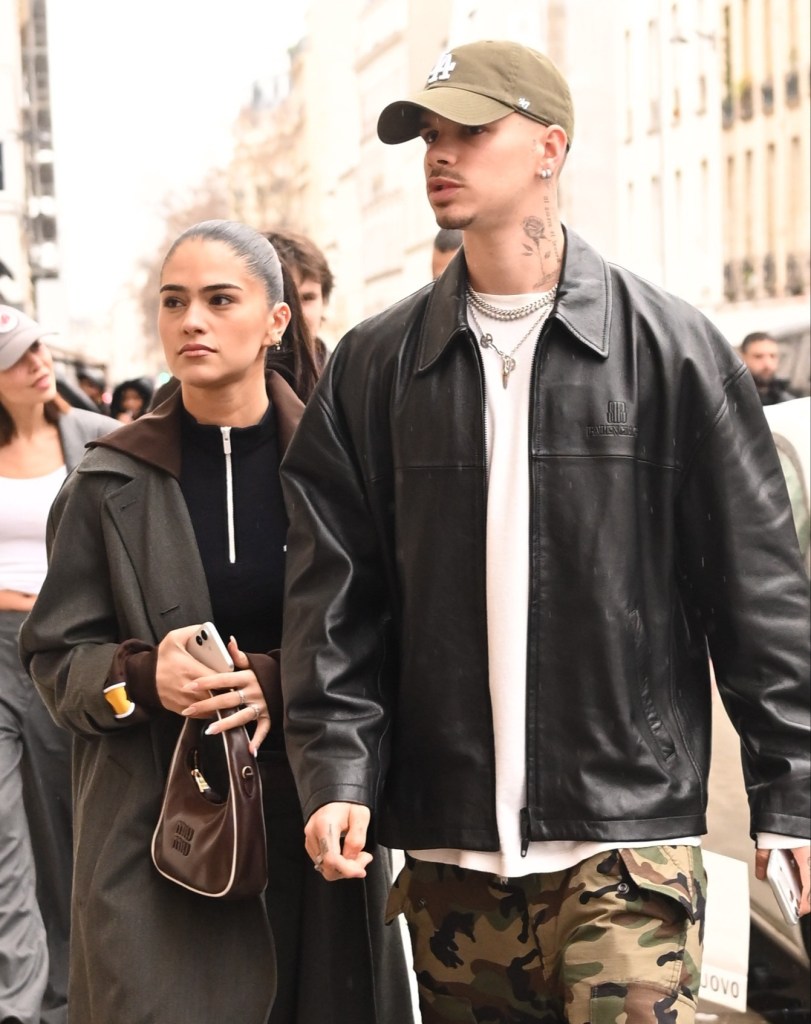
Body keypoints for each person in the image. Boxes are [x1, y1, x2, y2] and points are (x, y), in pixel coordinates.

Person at [277, 40, 811, 1024]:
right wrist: (338, 768)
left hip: (624, 846)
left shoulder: (672, 350)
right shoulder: (374, 366)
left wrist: (792, 794)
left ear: (549, 149)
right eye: (431, 134)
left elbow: (759, 592)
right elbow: (332, 598)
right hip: (447, 857)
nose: (440, 152)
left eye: (471, 131)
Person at [19, 222, 414, 1024]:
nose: (191, 320)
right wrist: (139, 678)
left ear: (275, 321)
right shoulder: (106, 480)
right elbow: (56, 663)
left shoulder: (343, 472)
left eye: (218, 299)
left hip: (311, 821)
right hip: (153, 845)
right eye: (174, 302)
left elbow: (393, 639)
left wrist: (279, 683)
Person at [0, 305, 111, 1024]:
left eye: (39, 346)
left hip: (73, 661)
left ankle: (76, 1000)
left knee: (73, 836)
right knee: (7, 845)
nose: (39, 362)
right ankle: (21, 1007)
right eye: (18, 356)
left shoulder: (96, 438)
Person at [264, 229, 334, 372]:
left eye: (307, 298)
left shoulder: (347, 379)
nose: (297, 313)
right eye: (286, 298)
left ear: (324, 302)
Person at [739, 331, 798, 405]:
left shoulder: (790, 397)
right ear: (742, 358)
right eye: (758, 356)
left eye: (772, 356)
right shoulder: (731, 400)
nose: (767, 364)